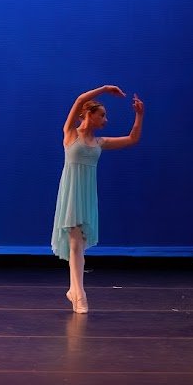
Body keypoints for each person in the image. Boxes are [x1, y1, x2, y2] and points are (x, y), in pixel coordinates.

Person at [52, 85, 144, 313]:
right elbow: (79, 98)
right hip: (71, 192)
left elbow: (133, 139)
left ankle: (74, 290)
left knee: (79, 245)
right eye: (102, 115)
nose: (106, 119)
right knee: (74, 243)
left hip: (87, 194)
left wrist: (139, 115)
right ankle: (80, 294)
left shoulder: (100, 143)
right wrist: (104, 89)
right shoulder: (70, 133)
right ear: (89, 115)